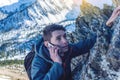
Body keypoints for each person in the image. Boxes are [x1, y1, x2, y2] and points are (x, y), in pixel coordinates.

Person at [31, 6, 120, 80]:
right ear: (47, 44)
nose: (65, 41)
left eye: (65, 36)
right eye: (58, 38)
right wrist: (57, 64)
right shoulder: (39, 61)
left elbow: (87, 44)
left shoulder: (67, 50)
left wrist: (107, 24)